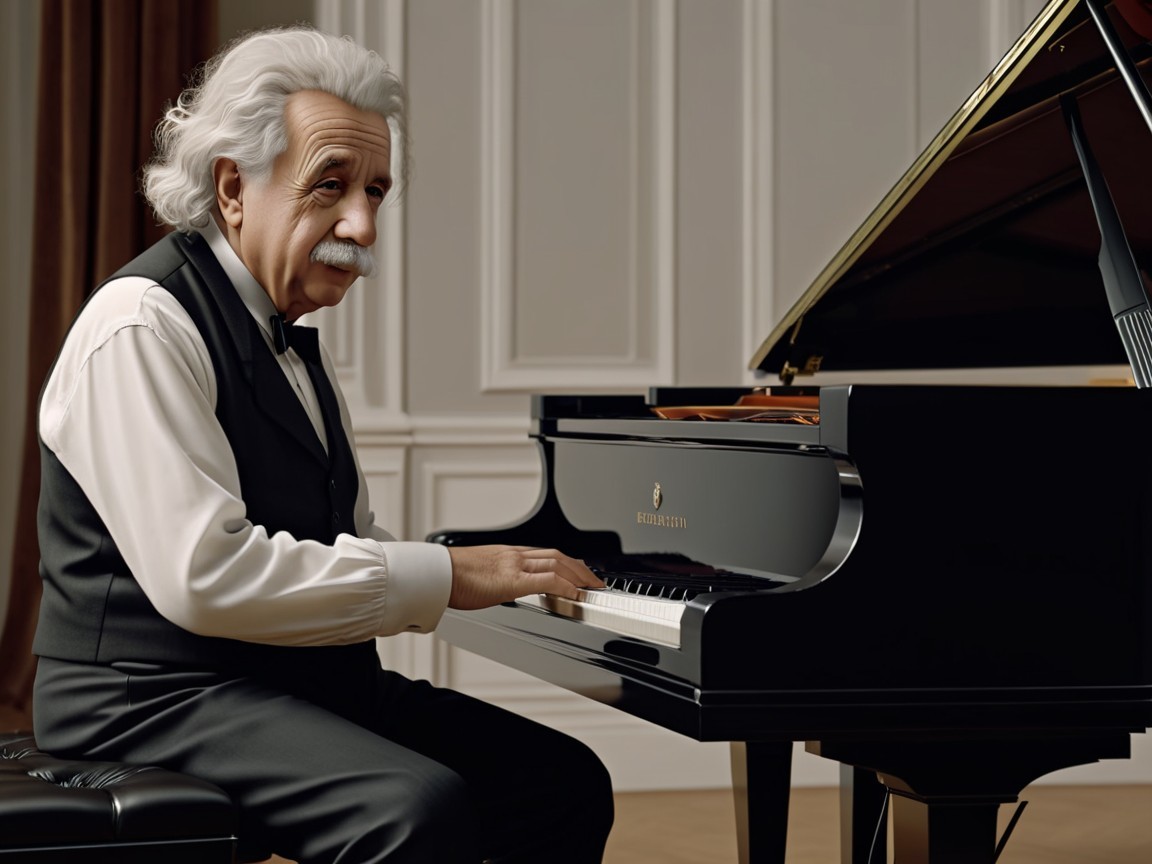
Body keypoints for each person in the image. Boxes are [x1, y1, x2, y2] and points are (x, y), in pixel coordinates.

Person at [31, 25, 614, 864]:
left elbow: (343, 538)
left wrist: (495, 576)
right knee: (414, 811)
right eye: (331, 185)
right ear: (234, 187)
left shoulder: (291, 339)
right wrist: (448, 575)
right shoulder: (140, 325)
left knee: (561, 779)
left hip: (286, 677)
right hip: (146, 698)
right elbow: (205, 576)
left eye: (377, 191)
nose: (364, 226)